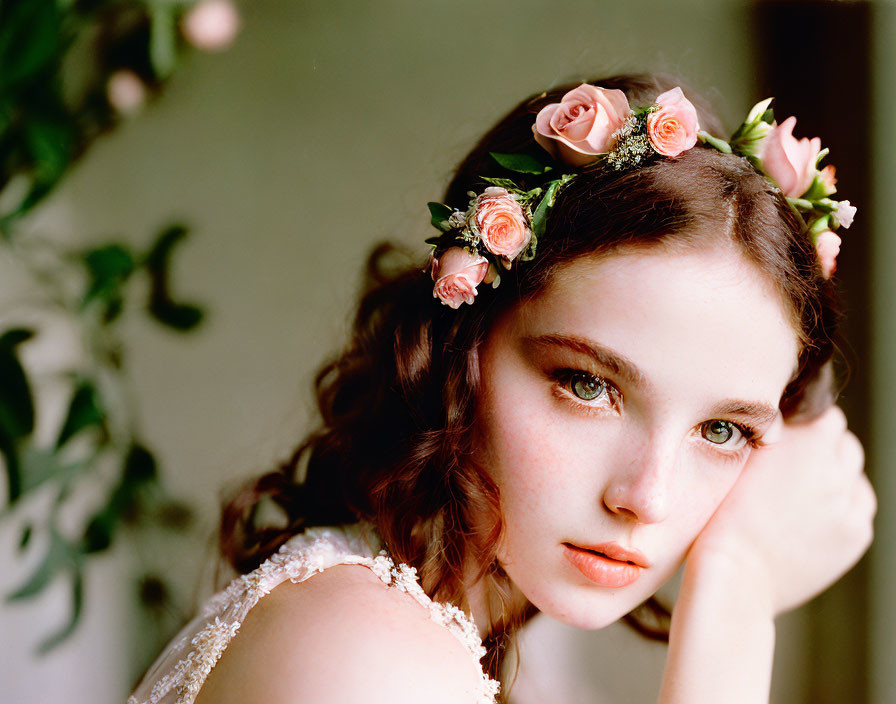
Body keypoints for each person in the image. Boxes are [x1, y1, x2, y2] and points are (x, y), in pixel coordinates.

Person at [127, 74, 874, 704]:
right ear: (462, 348)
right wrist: (736, 598)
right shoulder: (360, 656)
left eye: (721, 432)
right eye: (587, 384)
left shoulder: (462, 634)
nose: (647, 498)